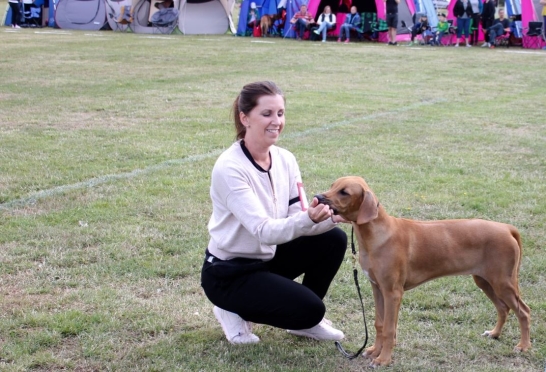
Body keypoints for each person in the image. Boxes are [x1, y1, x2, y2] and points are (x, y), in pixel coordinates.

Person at [201, 81, 348, 345]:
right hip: (229, 273)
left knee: (334, 238)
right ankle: (230, 307)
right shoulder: (230, 168)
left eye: (280, 113)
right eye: (266, 114)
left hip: (267, 258)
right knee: (311, 309)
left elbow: (298, 218)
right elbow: (265, 231)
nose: (276, 121)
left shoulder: (285, 159)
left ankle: (304, 324)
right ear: (244, 118)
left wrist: (334, 218)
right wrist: (307, 218)